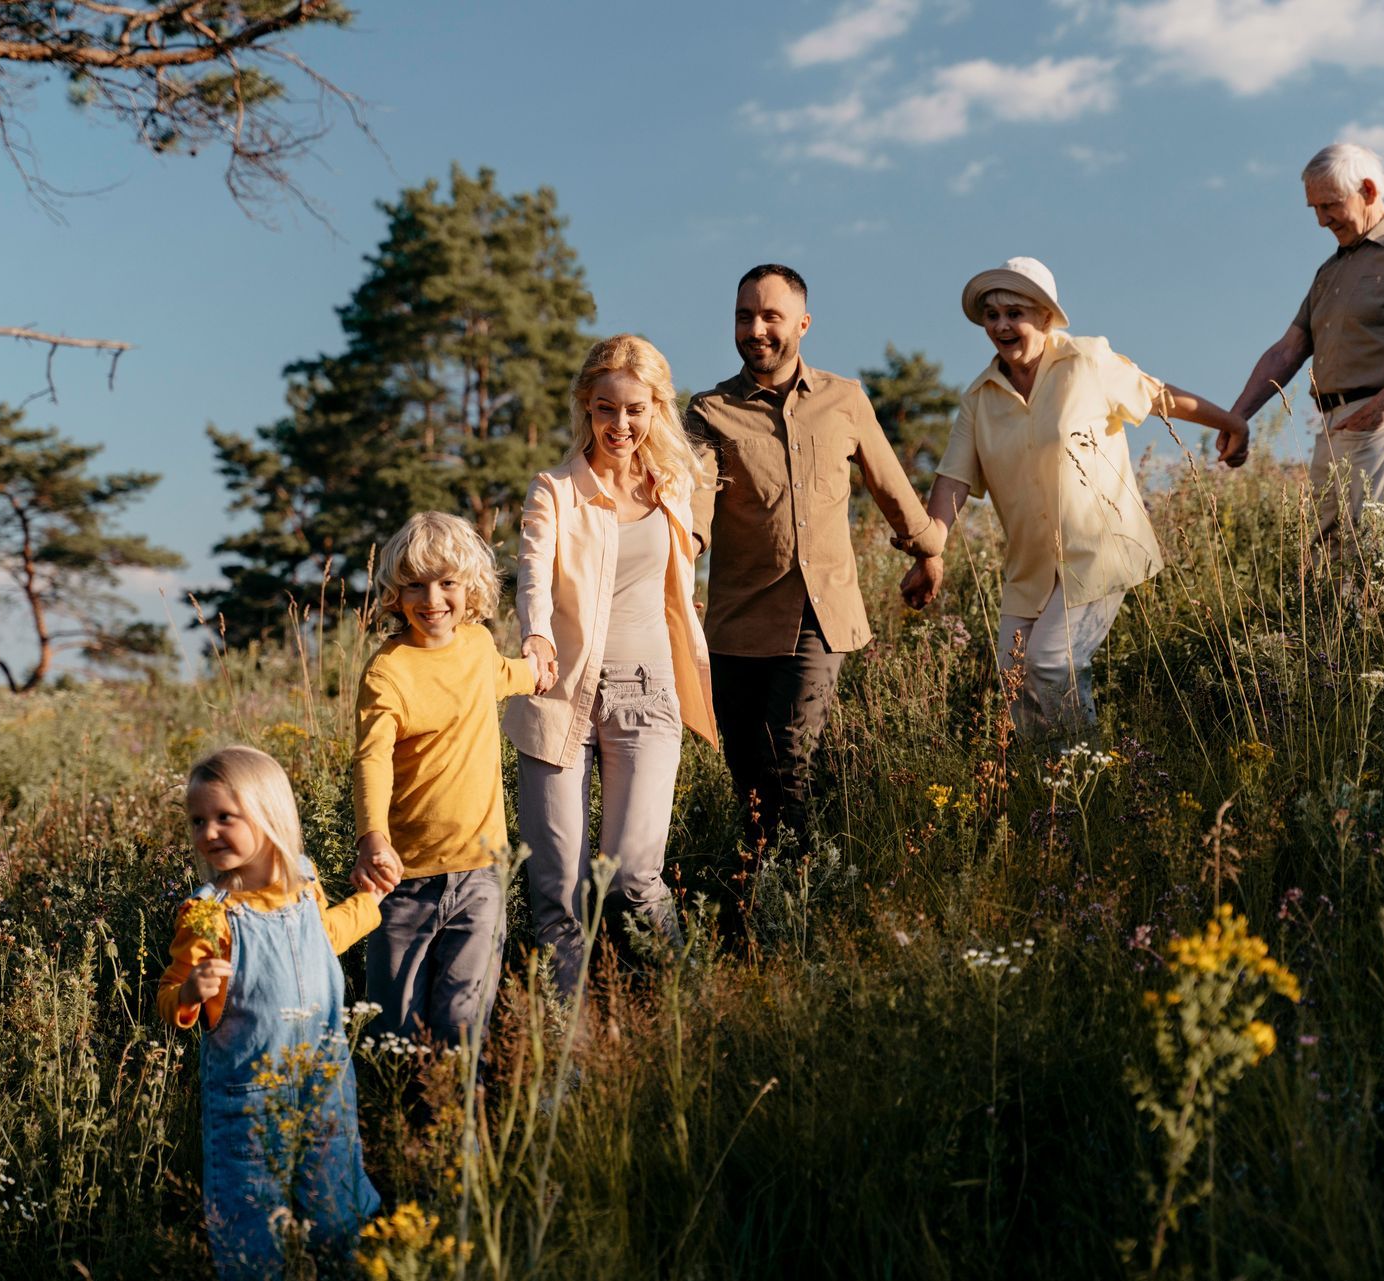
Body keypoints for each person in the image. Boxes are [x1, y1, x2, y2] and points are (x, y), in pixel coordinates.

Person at [918, 257, 1250, 738]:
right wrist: (930, 549)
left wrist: (1231, 423)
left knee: (1051, 664)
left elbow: (1158, 396)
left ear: (1046, 317)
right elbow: (953, 479)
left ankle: (1087, 779)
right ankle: (1051, 803)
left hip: (1099, 547)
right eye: (992, 315)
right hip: (1030, 565)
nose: (1001, 325)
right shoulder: (979, 398)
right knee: (1015, 683)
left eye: (1015, 312)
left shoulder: (1087, 362)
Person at [687, 263, 945, 850]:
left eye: (771, 316)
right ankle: (760, 908)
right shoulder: (708, 411)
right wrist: (678, 559)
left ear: (802, 324)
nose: (756, 329)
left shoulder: (845, 400)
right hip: (737, 625)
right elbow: (694, 505)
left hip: (817, 618)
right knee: (748, 779)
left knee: (788, 762)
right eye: (744, 316)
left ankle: (794, 896)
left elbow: (892, 488)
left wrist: (929, 552)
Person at [506, 334, 719, 993]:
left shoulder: (675, 486)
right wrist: (536, 635)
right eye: (606, 409)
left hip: (647, 693)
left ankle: (692, 999)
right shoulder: (556, 491)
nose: (619, 425)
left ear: (657, 408)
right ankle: (563, 1057)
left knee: (631, 875)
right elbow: (533, 574)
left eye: (635, 409)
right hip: (558, 693)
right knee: (558, 891)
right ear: (586, 408)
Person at [155, 745, 384, 1279]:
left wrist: (369, 906)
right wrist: (190, 992)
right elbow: (169, 994)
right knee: (248, 1227)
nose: (208, 832)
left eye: (224, 817)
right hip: (248, 1099)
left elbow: (323, 939)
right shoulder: (209, 914)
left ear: (268, 814)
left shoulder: (304, 888)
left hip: (324, 1086)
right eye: (198, 821)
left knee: (339, 1207)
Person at [348, 511, 537, 1047]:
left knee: (462, 1023)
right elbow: (371, 760)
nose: (432, 598)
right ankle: (400, 1126)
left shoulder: (477, 645)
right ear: (394, 593)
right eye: (415, 585)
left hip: (481, 875)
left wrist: (543, 667)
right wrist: (373, 839)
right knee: (395, 1029)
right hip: (404, 880)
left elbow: (509, 675)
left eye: (447, 583)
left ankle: (460, 1131)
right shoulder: (389, 671)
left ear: (469, 587)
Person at [1229, 143, 1384, 559]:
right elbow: (1287, 352)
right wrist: (1235, 418)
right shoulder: (1331, 269)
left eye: (1330, 205)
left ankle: (1375, 627)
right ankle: (1336, 628)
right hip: (1335, 422)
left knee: (1374, 551)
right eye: (1314, 209)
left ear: (1369, 190)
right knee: (1328, 556)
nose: (1322, 220)